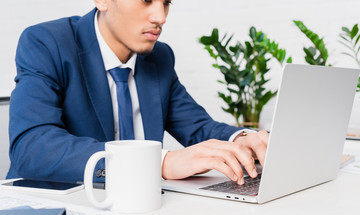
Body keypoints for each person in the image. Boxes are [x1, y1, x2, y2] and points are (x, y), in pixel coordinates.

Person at [7, 0, 268, 185]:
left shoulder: (159, 57)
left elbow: (197, 126)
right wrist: (158, 163)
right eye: (146, 0)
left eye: (166, 2)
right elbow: (32, 147)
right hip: (55, 210)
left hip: (141, 211)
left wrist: (241, 139)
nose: (160, 17)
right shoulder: (47, 43)